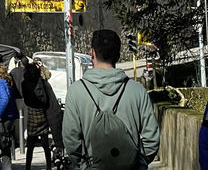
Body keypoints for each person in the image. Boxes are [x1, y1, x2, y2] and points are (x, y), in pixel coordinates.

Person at [63, 29, 160, 169]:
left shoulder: (76, 92)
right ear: (118, 56)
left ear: (92, 53)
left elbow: (70, 140)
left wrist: (84, 167)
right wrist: (138, 162)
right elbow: (152, 138)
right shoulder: (137, 90)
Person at [22, 61, 52, 170]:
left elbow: (25, 99)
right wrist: (41, 67)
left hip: (31, 112)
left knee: (30, 144)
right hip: (42, 113)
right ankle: (48, 166)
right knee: (45, 143)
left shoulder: (24, 84)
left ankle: (28, 166)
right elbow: (48, 76)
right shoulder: (41, 82)